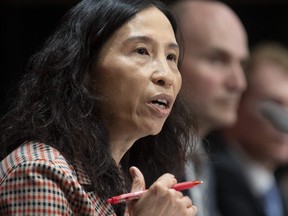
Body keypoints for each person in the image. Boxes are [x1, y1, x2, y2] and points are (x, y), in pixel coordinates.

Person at [0, 0, 199, 215]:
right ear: (84, 69)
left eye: (171, 57)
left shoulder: (119, 180)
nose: (166, 76)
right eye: (142, 51)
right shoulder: (39, 172)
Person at [170, 1, 249, 216]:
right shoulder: (140, 163)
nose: (239, 83)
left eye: (241, 64)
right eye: (217, 60)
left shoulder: (202, 157)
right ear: (171, 61)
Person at [210, 42, 288, 216]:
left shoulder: (274, 191)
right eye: (274, 105)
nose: (285, 121)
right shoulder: (213, 175)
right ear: (237, 103)